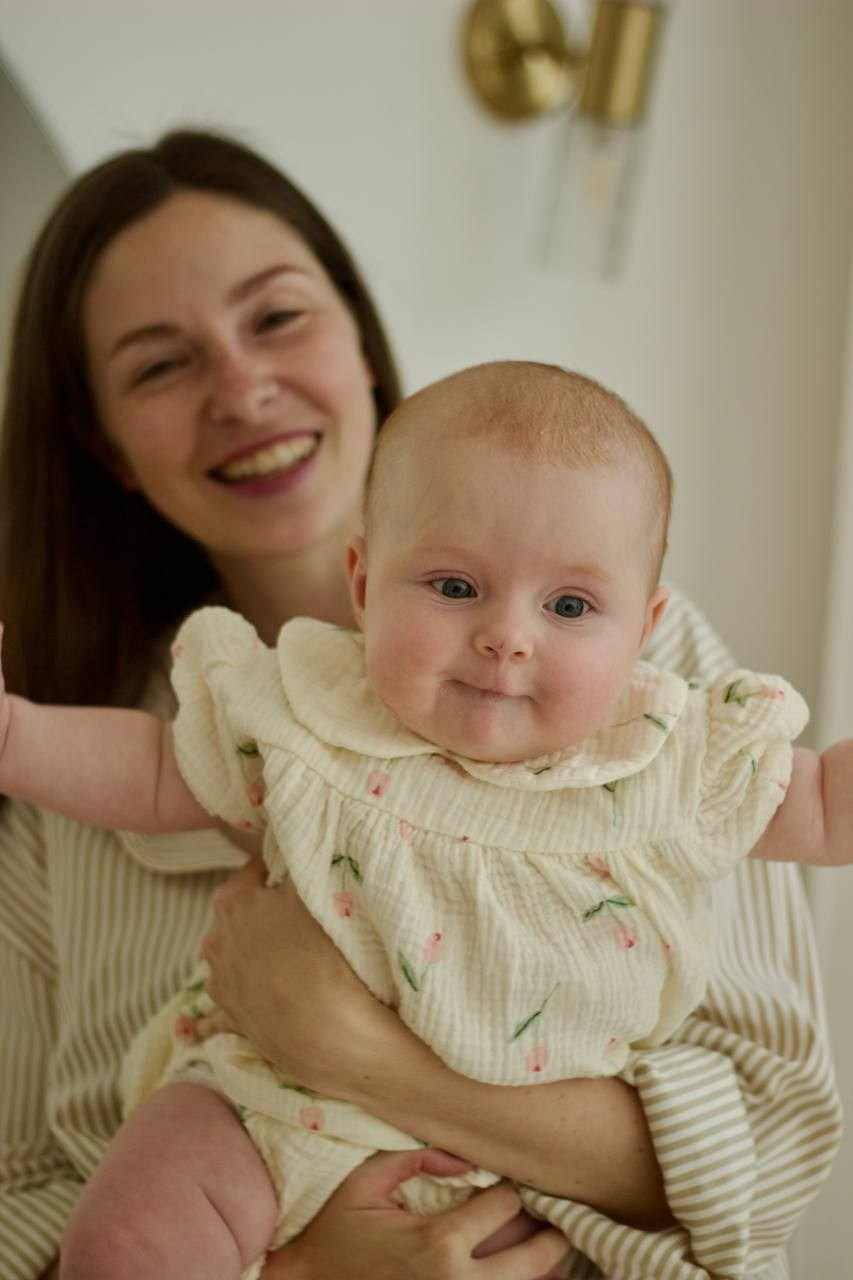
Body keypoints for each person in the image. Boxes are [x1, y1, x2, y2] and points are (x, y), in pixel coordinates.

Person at [0, 130, 839, 1280]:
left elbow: (777, 1142)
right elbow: (26, 1194)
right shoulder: (130, 743)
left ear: (358, 337)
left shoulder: (643, 689)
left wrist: (353, 1048)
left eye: (278, 317)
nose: (242, 388)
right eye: (160, 365)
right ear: (107, 446)